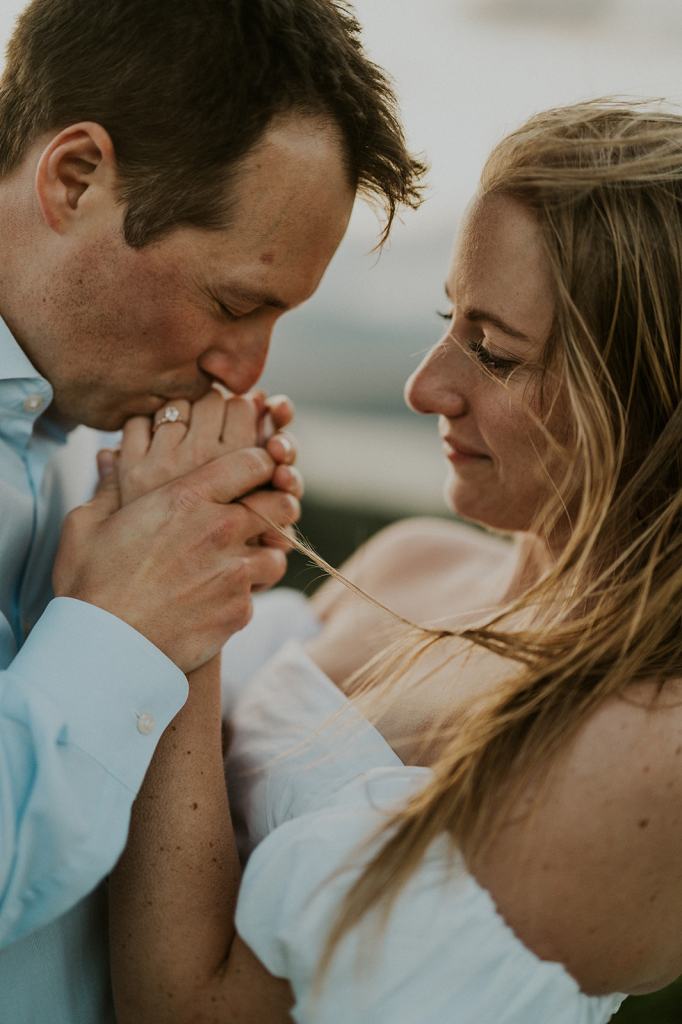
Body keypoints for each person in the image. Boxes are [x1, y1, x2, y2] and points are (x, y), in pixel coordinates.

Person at [107, 99, 681, 1023]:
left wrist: (187, 600)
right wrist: (222, 539)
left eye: (493, 354)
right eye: (450, 318)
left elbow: (187, 1009)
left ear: (647, 403)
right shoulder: (409, 561)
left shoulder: (643, 752)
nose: (426, 386)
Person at [0, 0, 423, 1020]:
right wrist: (132, 623)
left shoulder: (91, 438)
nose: (244, 369)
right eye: (235, 305)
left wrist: (206, 567)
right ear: (76, 179)